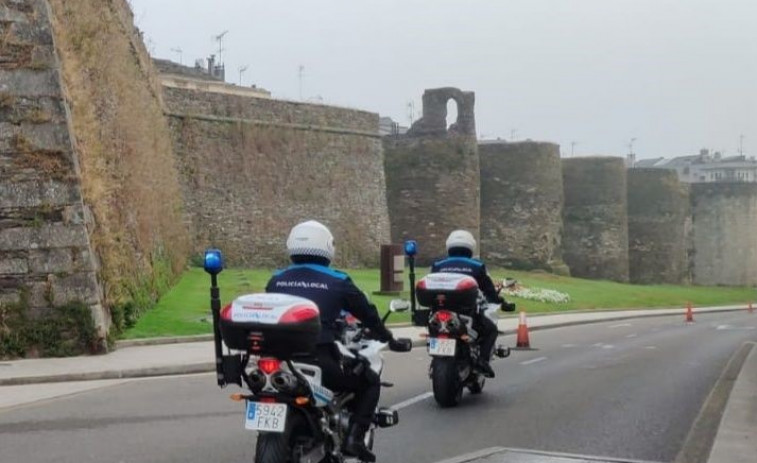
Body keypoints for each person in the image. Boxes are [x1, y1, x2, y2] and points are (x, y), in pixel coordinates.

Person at [265, 220, 399, 462]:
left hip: (279, 359)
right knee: (369, 381)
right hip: (318, 358)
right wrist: (385, 336)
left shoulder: (277, 279)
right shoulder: (338, 281)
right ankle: (354, 439)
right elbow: (367, 313)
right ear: (327, 247)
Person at [429, 230, 514, 378]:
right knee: (491, 330)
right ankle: (483, 361)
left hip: (439, 312)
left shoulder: (438, 265)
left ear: (449, 246)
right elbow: (489, 291)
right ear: (470, 247)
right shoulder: (477, 266)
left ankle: (435, 353)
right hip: (466, 313)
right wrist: (500, 301)